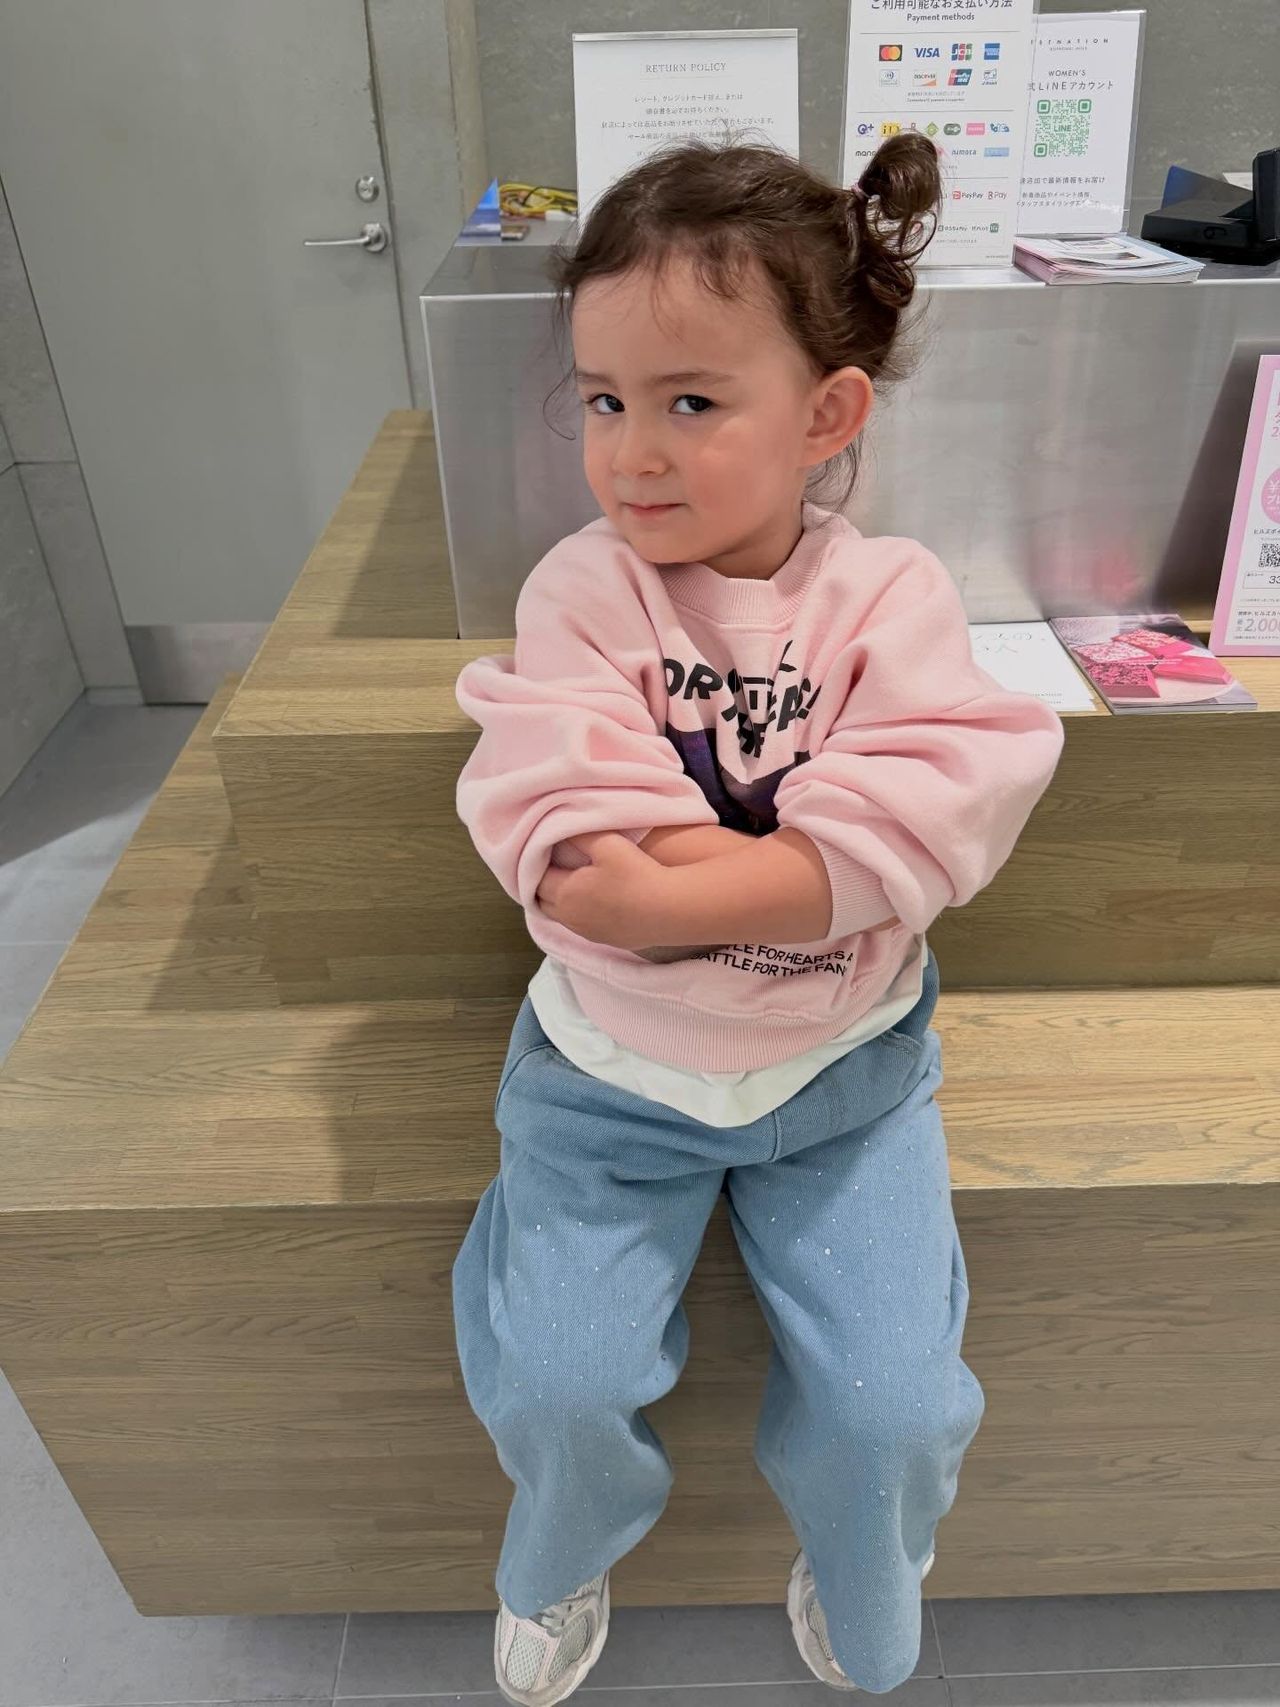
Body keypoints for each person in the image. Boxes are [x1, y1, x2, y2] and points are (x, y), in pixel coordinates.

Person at [452, 134, 1064, 1705]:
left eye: (691, 402)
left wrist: (682, 891)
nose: (632, 453)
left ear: (827, 416)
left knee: (893, 1408)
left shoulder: (890, 596)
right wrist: (818, 863)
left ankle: (865, 1573)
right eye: (604, 400)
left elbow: (948, 800)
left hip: (843, 1075)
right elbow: (574, 848)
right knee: (557, 1379)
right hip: (608, 1078)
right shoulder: (585, 591)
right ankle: (558, 1553)